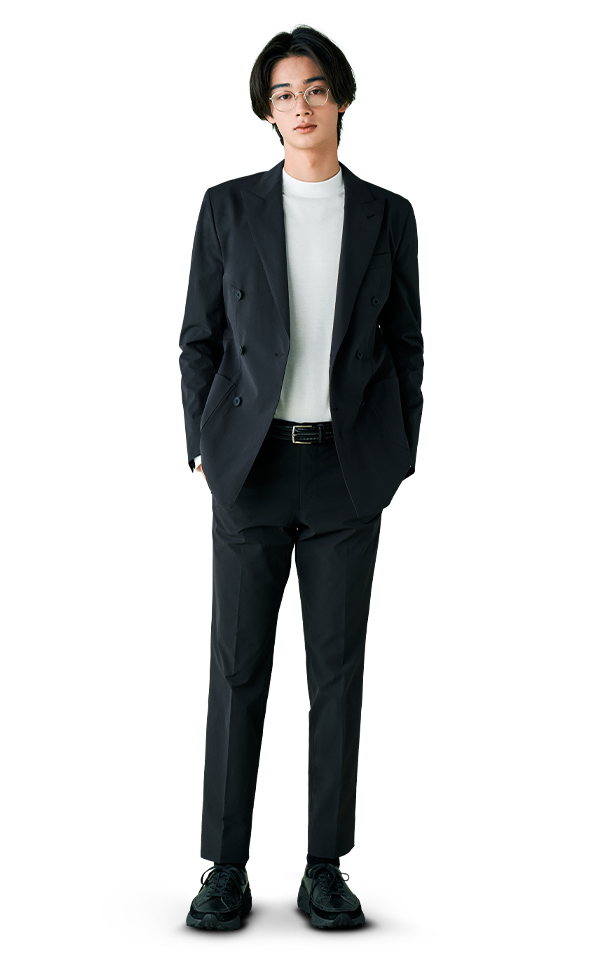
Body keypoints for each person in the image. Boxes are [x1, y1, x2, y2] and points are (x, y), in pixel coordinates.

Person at [180, 24, 424, 931]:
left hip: (348, 473)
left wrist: (399, 449)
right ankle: (226, 868)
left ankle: (325, 863)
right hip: (248, 468)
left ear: (342, 99)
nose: (301, 106)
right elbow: (198, 337)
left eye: (315, 88)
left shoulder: (388, 213)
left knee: (339, 670)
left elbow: (408, 342)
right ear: (266, 111)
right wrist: (203, 444)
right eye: (283, 93)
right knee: (237, 666)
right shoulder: (227, 208)